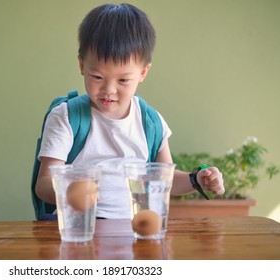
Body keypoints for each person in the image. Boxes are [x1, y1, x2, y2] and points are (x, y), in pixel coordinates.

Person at [35, 3, 224, 219]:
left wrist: (196, 179)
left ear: (143, 72)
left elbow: (165, 181)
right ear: (81, 65)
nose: (109, 90)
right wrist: (71, 191)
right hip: (83, 230)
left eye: (123, 80)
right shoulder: (67, 117)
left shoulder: (151, 122)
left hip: (135, 230)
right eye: (97, 77)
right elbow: (43, 184)